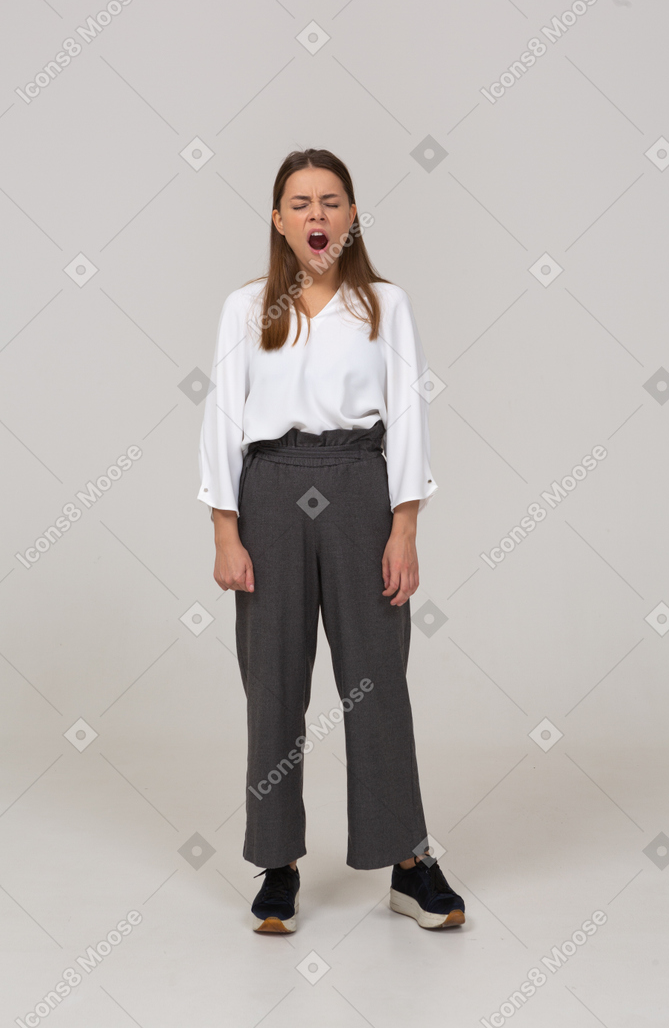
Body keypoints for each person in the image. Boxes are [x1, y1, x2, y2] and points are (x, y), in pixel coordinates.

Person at [197, 148, 465, 933]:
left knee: (375, 678)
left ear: (352, 217)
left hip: (359, 487)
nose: (316, 215)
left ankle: (408, 864)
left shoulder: (385, 305)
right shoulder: (247, 308)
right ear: (277, 219)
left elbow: (409, 414)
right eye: (300, 203)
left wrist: (405, 523)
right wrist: (225, 528)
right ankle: (276, 864)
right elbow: (220, 414)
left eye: (332, 201)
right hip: (270, 490)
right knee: (272, 682)